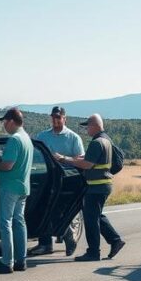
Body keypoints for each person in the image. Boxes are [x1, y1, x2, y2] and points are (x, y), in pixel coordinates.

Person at [55, 113, 125, 262]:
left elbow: (87, 164)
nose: (87, 130)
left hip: (96, 187)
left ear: (94, 126)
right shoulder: (105, 140)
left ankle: (93, 252)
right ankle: (115, 241)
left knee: (91, 219)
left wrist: (64, 159)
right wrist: (72, 159)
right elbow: (87, 158)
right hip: (102, 185)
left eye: (88, 126)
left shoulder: (96, 142)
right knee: (96, 216)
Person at [28, 106, 84, 257]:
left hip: (65, 180)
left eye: (58, 117)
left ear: (65, 118)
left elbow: (80, 161)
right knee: (43, 210)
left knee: (59, 212)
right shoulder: (42, 136)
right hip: (45, 180)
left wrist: (63, 159)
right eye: (53, 117)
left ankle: (68, 238)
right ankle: (45, 244)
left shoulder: (73, 138)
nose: (55, 120)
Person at [0, 107, 32, 274]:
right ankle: (21, 259)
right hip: (23, 187)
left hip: (10, 187)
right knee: (19, 222)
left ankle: (7, 262)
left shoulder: (14, 140)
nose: (4, 125)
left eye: (5, 121)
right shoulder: (26, 138)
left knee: (5, 223)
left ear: (11, 121)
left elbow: (8, 165)